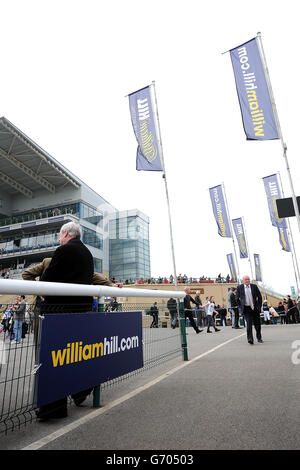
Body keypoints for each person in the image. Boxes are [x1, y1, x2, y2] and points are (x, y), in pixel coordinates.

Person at [36, 222, 94, 420]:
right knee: (74, 354)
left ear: (67, 234)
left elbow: (47, 280)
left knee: (54, 359)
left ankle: (54, 409)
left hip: (58, 310)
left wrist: (42, 289)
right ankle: (82, 388)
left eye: (60, 234)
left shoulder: (63, 250)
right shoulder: (87, 253)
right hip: (81, 310)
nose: (59, 238)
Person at [235, 275, 263, 345]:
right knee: (249, 324)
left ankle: (259, 338)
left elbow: (259, 297)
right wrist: (241, 307)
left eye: (248, 279)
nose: (247, 281)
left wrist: (259, 307)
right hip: (246, 309)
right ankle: (250, 339)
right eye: (246, 279)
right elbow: (237, 299)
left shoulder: (254, 286)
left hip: (254, 308)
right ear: (243, 280)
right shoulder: (239, 287)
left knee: (257, 324)